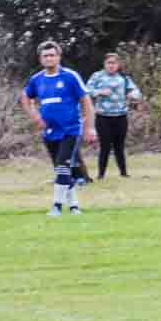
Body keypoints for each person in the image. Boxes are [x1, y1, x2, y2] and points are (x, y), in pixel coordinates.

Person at [19, 42, 96, 215]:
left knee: (62, 166)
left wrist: (89, 127)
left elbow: (86, 102)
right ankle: (75, 206)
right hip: (50, 132)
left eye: (52, 55)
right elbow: (25, 97)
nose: (49, 58)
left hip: (70, 130)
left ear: (58, 57)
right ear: (41, 59)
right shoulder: (37, 79)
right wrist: (35, 116)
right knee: (62, 169)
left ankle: (57, 206)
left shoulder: (70, 76)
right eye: (45, 56)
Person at [84, 52, 142, 179]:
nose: (111, 66)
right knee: (105, 146)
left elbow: (136, 91)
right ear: (104, 64)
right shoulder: (97, 76)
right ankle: (101, 174)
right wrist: (100, 92)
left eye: (114, 63)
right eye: (109, 63)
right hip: (103, 116)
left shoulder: (124, 78)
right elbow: (86, 91)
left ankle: (124, 173)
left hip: (120, 116)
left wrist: (133, 95)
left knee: (119, 146)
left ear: (118, 65)